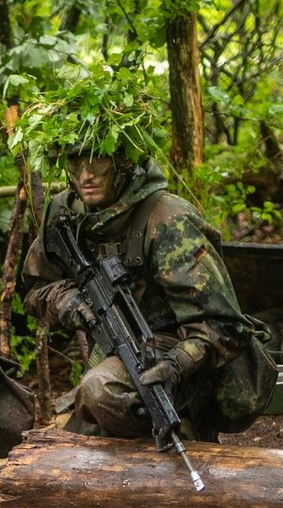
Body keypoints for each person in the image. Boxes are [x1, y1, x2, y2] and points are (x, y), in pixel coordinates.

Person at [19, 86, 270, 444]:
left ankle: (181, 425)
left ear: (123, 160)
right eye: (74, 161)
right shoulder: (64, 214)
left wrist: (176, 365)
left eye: (96, 159)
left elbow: (225, 324)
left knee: (102, 391)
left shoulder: (168, 218)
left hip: (184, 353)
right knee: (99, 397)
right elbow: (34, 287)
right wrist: (69, 302)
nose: (85, 174)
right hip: (118, 353)